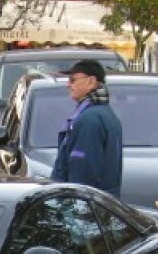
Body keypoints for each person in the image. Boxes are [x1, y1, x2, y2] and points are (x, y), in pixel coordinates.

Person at [51, 59, 122, 198]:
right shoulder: (104, 113)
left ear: (91, 81)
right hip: (103, 203)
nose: (68, 85)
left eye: (73, 79)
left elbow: (83, 172)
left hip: (85, 207)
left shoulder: (89, 119)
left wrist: (75, 204)